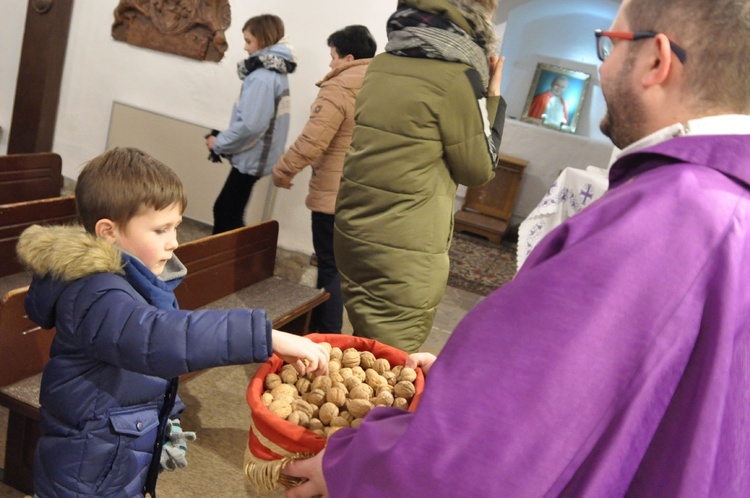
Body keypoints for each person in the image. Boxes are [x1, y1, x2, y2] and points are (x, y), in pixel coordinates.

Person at [283, 0, 750, 495]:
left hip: (364, 229)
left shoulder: (662, 218)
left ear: (656, 61)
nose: (602, 63)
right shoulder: (723, 205)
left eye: (609, 44)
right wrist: (479, 379)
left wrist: (355, 462)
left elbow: (474, 459)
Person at [16, 147, 329, 498]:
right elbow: (156, 338)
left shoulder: (134, 280)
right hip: (86, 470)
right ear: (108, 232)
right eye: (161, 230)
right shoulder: (95, 293)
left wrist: (162, 422)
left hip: (113, 451)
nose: (174, 241)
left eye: (176, 227)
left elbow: (144, 371)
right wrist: (263, 336)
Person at [333, 0, 506, 353]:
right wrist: (494, 99)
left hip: (355, 231)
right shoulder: (457, 78)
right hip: (404, 251)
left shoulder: (382, 64)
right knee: (390, 376)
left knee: (362, 355)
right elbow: (478, 170)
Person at [272, 25, 377, 334]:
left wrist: (284, 169)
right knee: (346, 268)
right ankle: (324, 329)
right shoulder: (382, 84)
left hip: (333, 196)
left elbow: (313, 140)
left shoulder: (339, 87)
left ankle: (325, 336)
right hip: (367, 194)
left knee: (329, 267)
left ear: (348, 57)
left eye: (333, 57)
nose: (331, 64)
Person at [206, 14, 295, 234]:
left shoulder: (262, 77)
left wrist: (219, 143)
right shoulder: (276, 73)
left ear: (263, 41)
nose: (245, 48)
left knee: (225, 212)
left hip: (253, 157)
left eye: (248, 41)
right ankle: (238, 263)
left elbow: (251, 126)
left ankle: (231, 265)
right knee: (230, 212)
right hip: (259, 155)